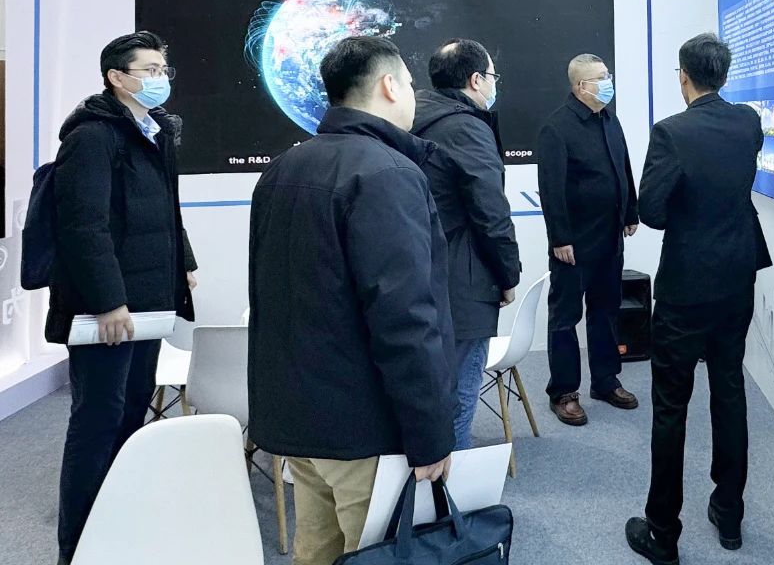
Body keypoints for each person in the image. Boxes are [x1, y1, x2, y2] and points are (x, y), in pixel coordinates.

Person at [248, 37, 454, 565]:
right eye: (410, 83)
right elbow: (405, 317)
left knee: (317, 549)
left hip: (300, 416)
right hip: (363, 424)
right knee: (375, 551)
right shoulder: (387, 174)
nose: (413, 95)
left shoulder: (283, 168)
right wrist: (431, 433)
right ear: (389, 86)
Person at [50, 31, 198, 565]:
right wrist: (108, 301)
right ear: (116, 77)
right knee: (98, 419)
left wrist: (185, 262)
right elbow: (83, 226)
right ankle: (78, 546)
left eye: (163, 69)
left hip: (150, 301)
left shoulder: (156, 131)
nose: (160, 79)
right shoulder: (92, 137)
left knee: (133, 410)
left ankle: (116, 527)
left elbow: (167, 208)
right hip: (110, 310)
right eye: (149, 70)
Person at [626, 33, 771, 565]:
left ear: (683, 76)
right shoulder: (748, 122)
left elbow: (652, 211)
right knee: (729, 389)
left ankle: (663, 533)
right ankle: (729, 513)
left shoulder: (671, 132)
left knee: (671, 406)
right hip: (737, 277)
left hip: (687, 286)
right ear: (723, 76)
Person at [412, 39, 522, 449]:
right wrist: (507, 275)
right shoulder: (467, 128)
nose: (494, 84)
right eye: (493, 76)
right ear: (476, 80)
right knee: (458, 396)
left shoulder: (409, 119)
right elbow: (491, 212)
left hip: (414, 276)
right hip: (461, 283)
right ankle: (451, 485)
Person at [537, 54, 640, 425]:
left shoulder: (610, 119)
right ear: (582, 86)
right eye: (601, 77)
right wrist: (560, 238)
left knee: (606, 310)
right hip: (573, 244)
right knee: (565, 317)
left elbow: (623, 167)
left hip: (610, 237)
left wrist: (631, 212)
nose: (608, 81)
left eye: (607, 74)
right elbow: (550, 188)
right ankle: (564, 392)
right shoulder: (557, 127)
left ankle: (606, 380)